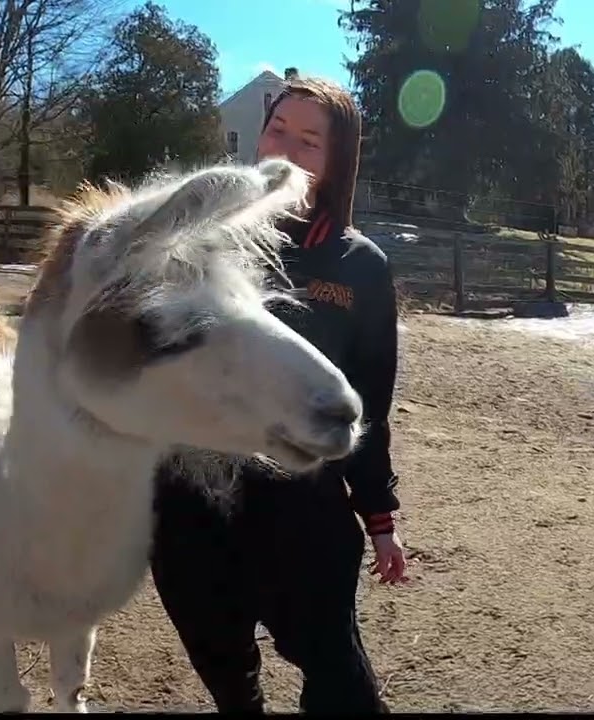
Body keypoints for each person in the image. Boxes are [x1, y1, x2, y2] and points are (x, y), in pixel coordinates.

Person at [148, 75, 407, 714]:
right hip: (191, 512)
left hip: (302, 516)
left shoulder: (360, 267)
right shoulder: (198, 242)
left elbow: (369, 404)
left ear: (337, 160)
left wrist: (379, 518)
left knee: (340, 680)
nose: (285, 149)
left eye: (310, 141)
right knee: (228, 675)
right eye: (277, 130)